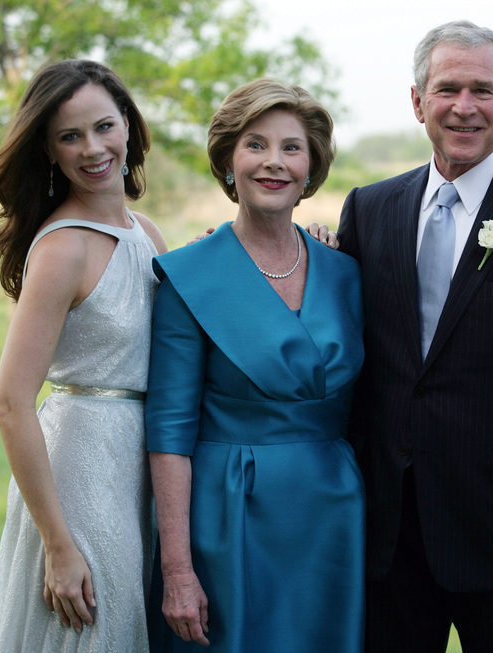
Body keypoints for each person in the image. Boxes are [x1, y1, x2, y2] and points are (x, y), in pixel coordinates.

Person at [336, 21, 493, 652]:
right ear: (418, 101)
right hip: (390, 532)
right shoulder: (368, 209)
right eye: (447, 88)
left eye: (483, 89)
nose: (464, 106)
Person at [145, 78, 365, 653]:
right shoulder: (190, 276)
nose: (275, 163)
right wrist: (177, 570)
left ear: (312, 166)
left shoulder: (343, 269)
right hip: (229, 513)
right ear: (228, 161)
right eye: (256, 145)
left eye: (292, 147)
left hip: (332, 512)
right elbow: (169, 433)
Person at [0, 59, 167, 652]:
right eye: (70, 136)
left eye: (104, 126)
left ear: (128, 127)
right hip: (79, 472)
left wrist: (306, 239)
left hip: (140, 466)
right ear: (50, 150)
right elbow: (12, 403)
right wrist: (58, 544)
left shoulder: (146, 233)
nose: (93, 148)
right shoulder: (63, 249)